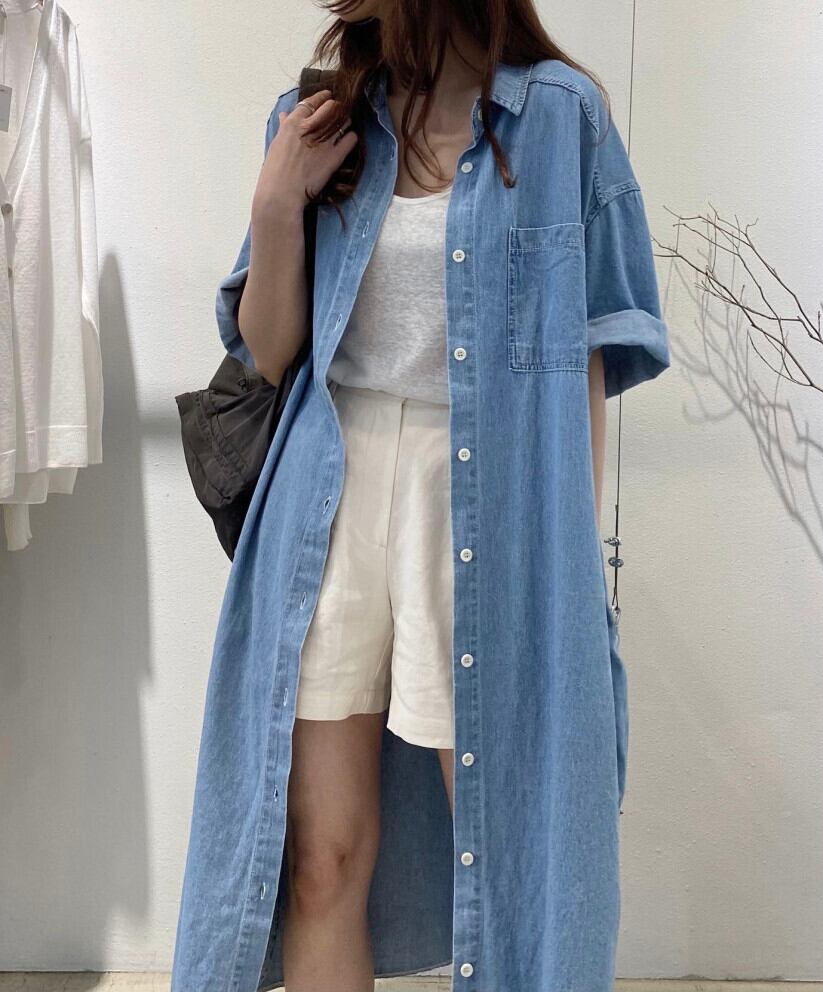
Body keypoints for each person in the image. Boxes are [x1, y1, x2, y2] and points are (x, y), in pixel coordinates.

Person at [170, 1, 672, 991]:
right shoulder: (318, 120)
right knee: (322, 854)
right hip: (328, 492)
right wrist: (276, 202)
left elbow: (586, 353)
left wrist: (570, 562)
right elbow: (268, 351)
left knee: (509, 849)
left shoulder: (559, 118)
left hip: (488, 489)